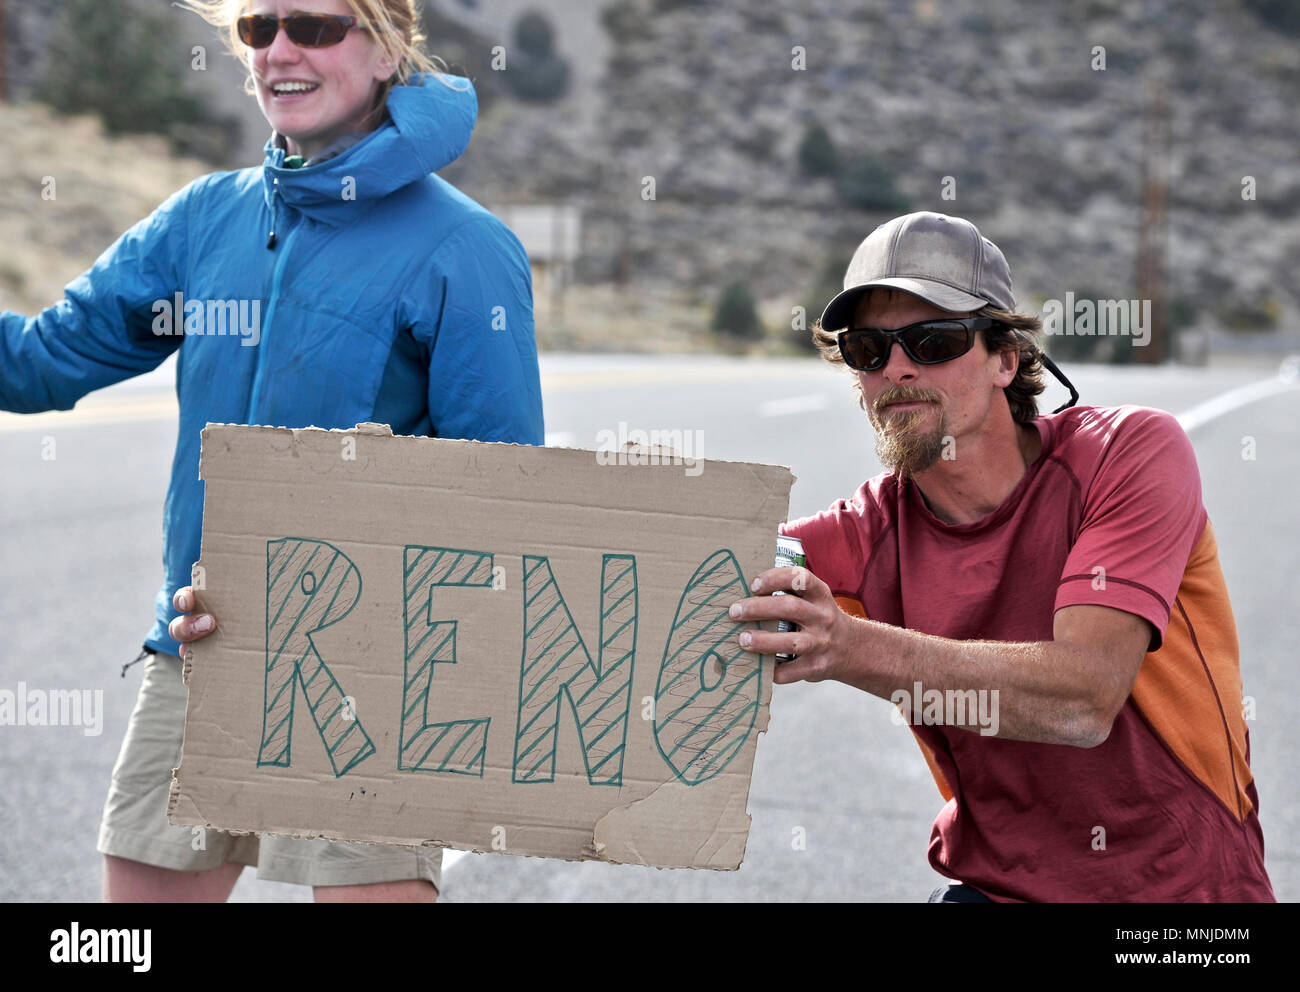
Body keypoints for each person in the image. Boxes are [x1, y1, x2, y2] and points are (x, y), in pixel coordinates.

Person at [0, 0, 543, 902]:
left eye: (318, 27)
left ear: (386, 47)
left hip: (379, 681)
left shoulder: (467, 249)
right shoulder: (205, 218)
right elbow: (45, 362)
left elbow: (500, 498)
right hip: (201, 647)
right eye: (261, 28)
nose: (281, 50)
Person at [727, 211, 1274, 902]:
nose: (898, 367)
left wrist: (849, 646)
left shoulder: (1127, 455)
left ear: (1005, 359)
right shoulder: (868, 531)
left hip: (1183, 900)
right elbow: (692, 571)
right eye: (868, 348)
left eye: (933, 340)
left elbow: (1084, 698)